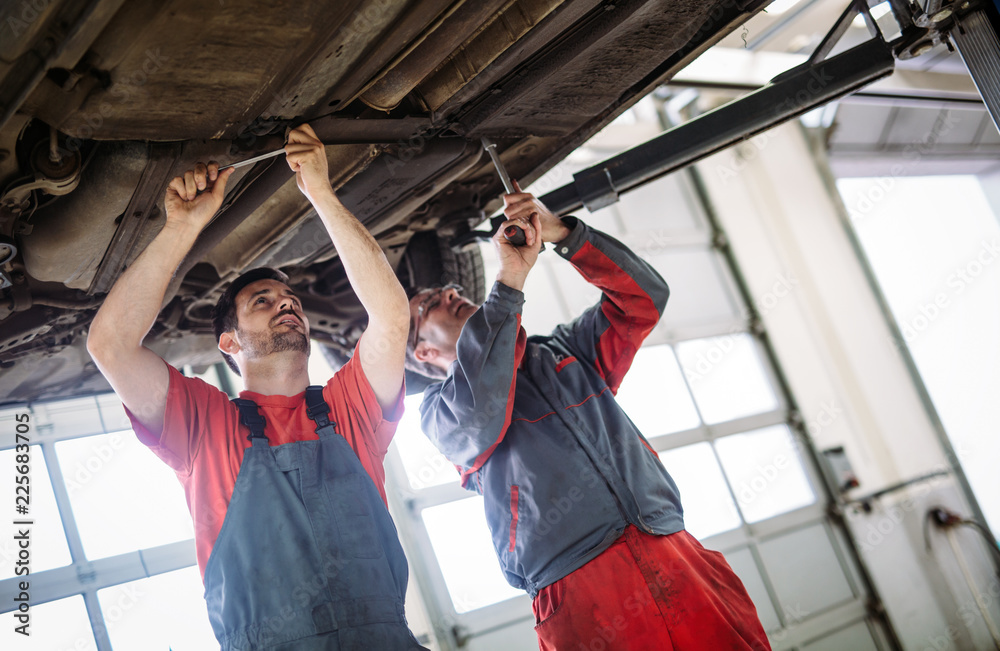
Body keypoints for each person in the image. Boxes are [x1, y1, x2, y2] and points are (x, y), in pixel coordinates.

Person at [88, 124, 426, 650]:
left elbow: (390, 314)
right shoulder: (203, 424)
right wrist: (182, 226)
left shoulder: (346, 408)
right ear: (229, 343)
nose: (285, 303)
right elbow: (110, 345)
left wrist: (321, 193)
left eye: (289, 298)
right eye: (262, 302)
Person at [406, 190, 771, 650]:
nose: (452, 294)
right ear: (423, 352)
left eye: (454, 290)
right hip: (579, 586)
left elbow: (643, 299)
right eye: (431, 304)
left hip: (672, 549)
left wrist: (563, 234)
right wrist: (510, 282)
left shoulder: (565, 352)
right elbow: (482, 400)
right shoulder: (440, 413)